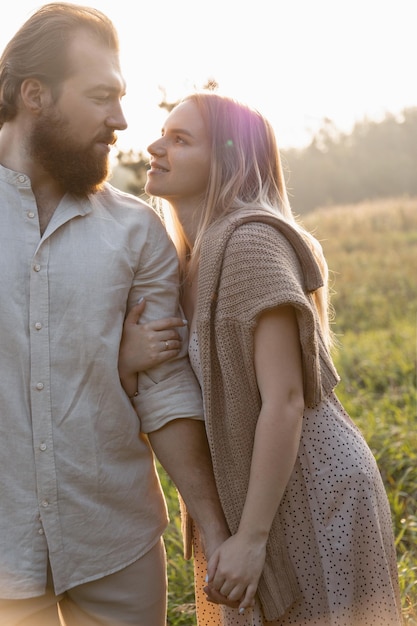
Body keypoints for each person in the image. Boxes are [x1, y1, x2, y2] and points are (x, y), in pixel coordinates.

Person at [119, 91, 403, 625]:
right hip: (257, 490)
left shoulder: (248, 243)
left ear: (228, 159)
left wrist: (251, 537)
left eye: (180, 139)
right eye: (163, 133)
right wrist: (129, 357)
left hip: (314, 490)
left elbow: (285, 401)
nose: (156, 146)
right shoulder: (183, 259)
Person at [0, 6, 230, 626]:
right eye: (101, 96)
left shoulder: (137, 230)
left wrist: (213, 526)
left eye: (121, 97)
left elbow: (165, 386)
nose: (121, 121)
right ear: (35, 95)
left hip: (114, 541)